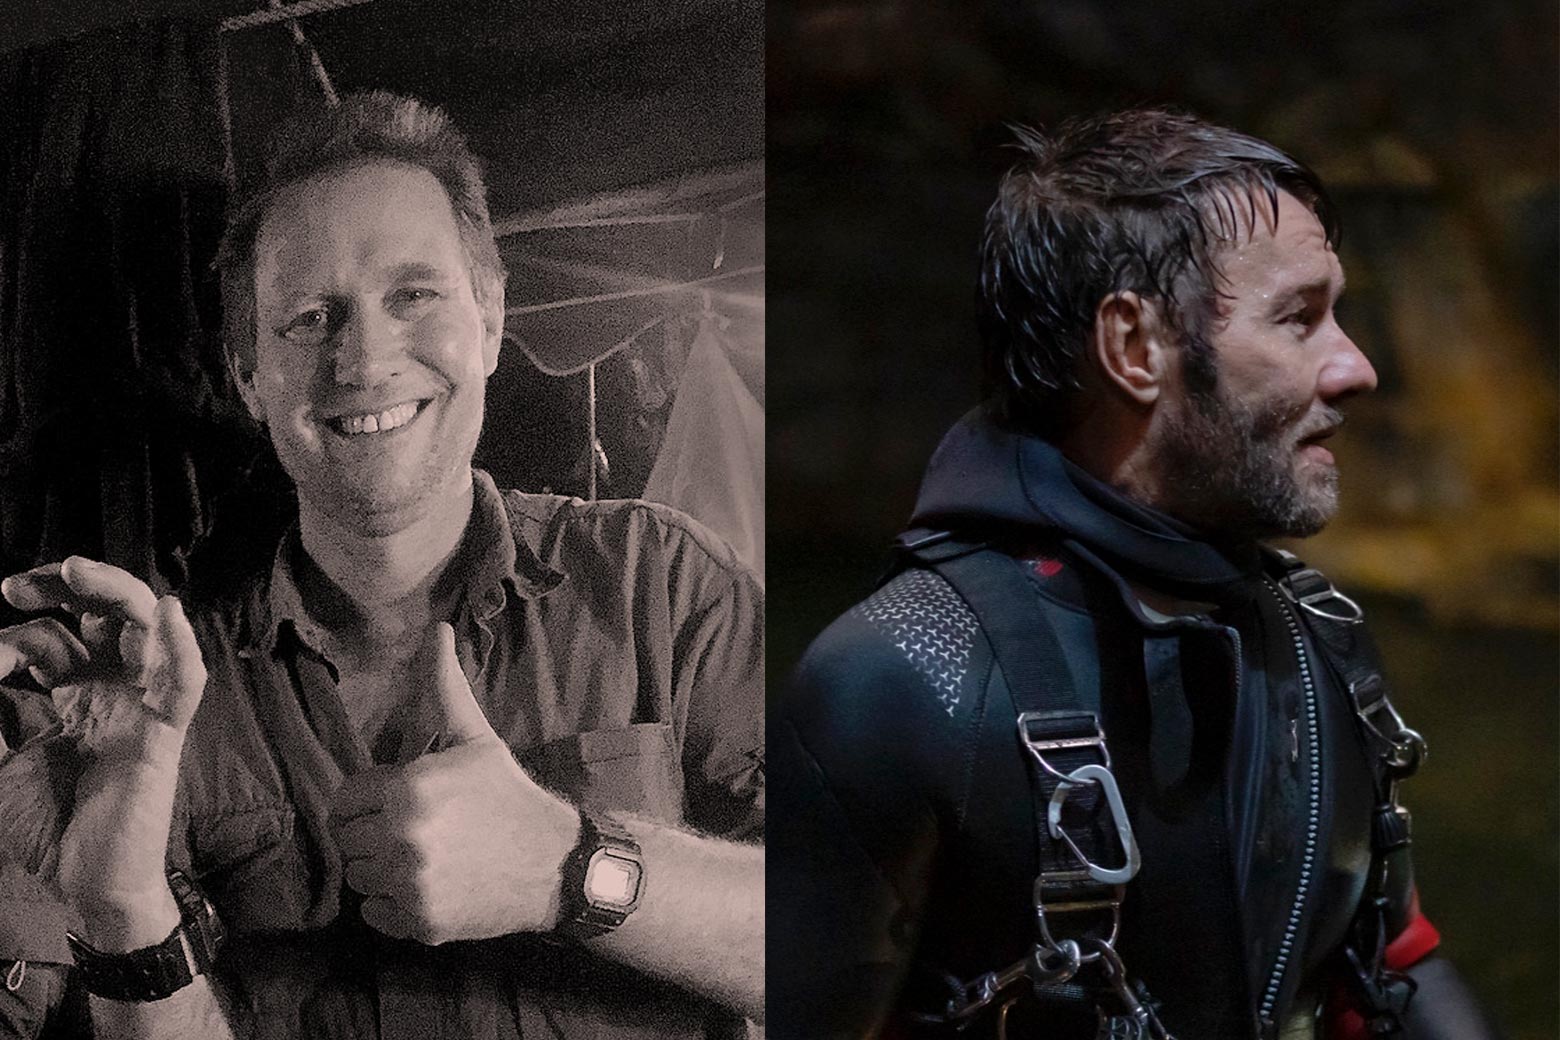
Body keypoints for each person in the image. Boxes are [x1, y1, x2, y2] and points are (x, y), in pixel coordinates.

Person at [0, 91, 764, 1040]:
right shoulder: (155, 695)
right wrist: (125, 916)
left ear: (490, 320)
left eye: (414, 296)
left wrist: (568, 867)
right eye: (310, 317)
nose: (362, 359)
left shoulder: (668, 588)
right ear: (249, 379)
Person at [768, 109, 1496, 1039]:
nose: (1355, 367)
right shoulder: (904, 679)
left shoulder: (1322, 644)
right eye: (1299, 318)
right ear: (1134, 348)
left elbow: (1392, 965)